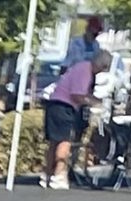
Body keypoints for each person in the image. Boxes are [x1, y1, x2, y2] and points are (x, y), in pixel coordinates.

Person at [42, 44, 103, 183]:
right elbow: (77, 95)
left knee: (53, 142)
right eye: (103, 68)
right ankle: (58, 176)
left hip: (54, 103)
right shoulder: (85, 71)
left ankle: (47, 174)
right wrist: (94, 102)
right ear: (100, 65)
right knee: (65, 141)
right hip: (65, 107)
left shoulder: (80, 67)